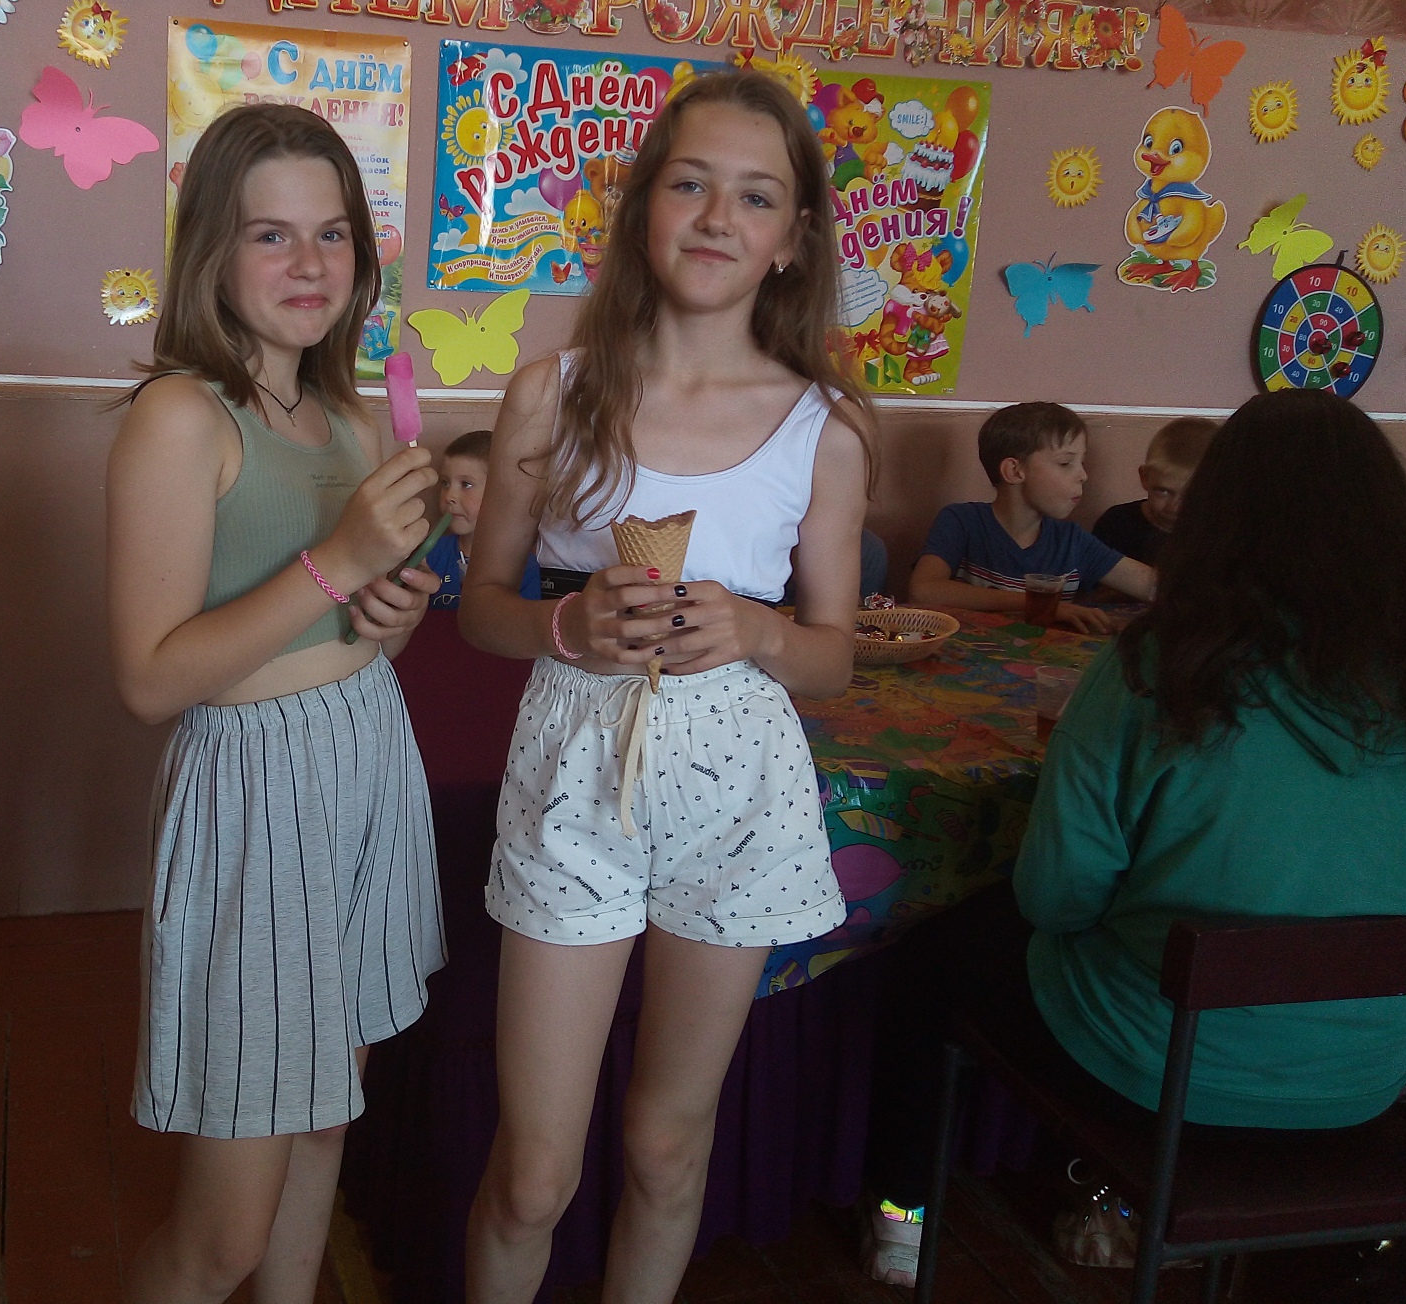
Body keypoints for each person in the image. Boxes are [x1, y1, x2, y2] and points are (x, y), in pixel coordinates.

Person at [862, 390, 1406, 1287]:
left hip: (1161, 1071)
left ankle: (903, 1218)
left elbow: (1055, 898)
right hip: (1366, 1077)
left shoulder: (1159, 666)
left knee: (929, 957)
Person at [457, 69, 872, 1302]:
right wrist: (567, 621)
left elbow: (834, 654)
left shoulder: (824, 427)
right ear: (645, 204)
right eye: (689, 184)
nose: (716, 217)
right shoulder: (553, 391)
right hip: (575, 775)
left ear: (791, 239)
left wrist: (759, 631)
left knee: (664, 1145)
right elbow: (481, 611)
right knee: (533, 1174)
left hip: (737, 788)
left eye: (755, 197)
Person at [105, 103, 446, 1304]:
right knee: (222, 1240)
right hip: (256, 793)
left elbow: (344, 631)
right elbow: (151, 678)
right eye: (271, 235)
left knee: (323, 1116)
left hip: (364, 762)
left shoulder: (351, 416)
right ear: (212, 250)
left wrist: (386, 612)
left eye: (332, 233)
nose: (309, 263)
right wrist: (340, 563)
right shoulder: (181, 416)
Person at [909, 402, 1155, 632]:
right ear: (1015, 471)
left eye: (1082, 462)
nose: (1083, 475)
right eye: (1066, 463)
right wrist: (1038, 604)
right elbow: (924, 590)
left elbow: (1153, 586)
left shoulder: (1072, 542)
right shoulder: (962, 522)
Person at [423, 428, 540, 608]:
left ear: (498, 493)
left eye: (466, 484)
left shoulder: (522, 567)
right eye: (445, 483)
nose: (449, 496)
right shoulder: (430, 554)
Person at [1091, 415, 1218, 565]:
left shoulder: (1223, 534)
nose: (1175, 508)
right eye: (1163, 491)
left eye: (1191, 496)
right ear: (1145, 477)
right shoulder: (1116, 526)